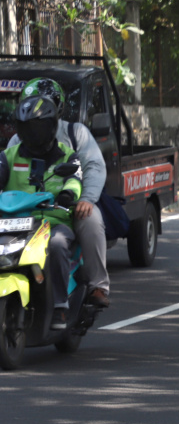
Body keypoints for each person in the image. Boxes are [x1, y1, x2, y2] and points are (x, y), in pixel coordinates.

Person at [10, 78, 109, 308]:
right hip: (25, 211)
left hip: (68, 207)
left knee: (91, 220)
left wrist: (86, 199)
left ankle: (98, 285)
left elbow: (93, 167)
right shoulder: (17, 142)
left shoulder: (75, 134)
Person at [0, 95, 83, 329]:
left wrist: (68, 194)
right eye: (26, 127)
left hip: (53, 222)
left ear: (51, 126)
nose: (31, 133)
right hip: (13, 224)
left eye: (36, 127)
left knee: (57, 245)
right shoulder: (9, 155)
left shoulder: (67, 155)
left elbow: (75, 180)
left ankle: (60, 306)